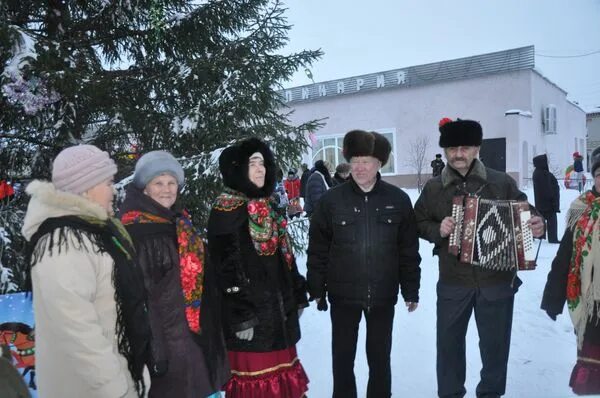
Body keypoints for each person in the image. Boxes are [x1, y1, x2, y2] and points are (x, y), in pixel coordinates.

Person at [414, 118, 545, 398]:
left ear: (476, 148)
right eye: (452, 148)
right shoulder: (434, 188)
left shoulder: (500, 182)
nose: (458, 154)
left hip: (496, 281)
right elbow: (417, 221)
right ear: (445, 152)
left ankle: (490, 394)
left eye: (464, 147)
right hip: (453, 281)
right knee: (448, 347)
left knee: (495, 348)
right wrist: (438, 230)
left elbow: (528, 212)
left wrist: (537, 223)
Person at [21, 145, 151, 397]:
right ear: (86, 187)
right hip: (91, 388)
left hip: (117, 375)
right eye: (108, 182)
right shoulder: (63, 242)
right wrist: (114, 387)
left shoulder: (95, 232)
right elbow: (75, 330)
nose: (113, 190)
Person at [307, 130, 422, 398]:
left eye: (366, 161)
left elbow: (408, 250)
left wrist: (411, 289)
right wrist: (316, 287)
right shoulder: (331, 201)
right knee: (343, 360)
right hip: (343, 295)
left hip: (382, 295)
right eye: (355, 160)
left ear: (379, 163)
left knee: (380, 360)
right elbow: (318, 248)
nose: (359, 167)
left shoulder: (398, 200)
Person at [119, 151, 230, 398]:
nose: (167, 189)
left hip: (193, 339)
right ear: (144, 189)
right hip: (170, 349)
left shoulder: (176, 222)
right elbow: (144, 300)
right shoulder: (139, 232)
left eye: (171, 183)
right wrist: (157, 353)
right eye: (158, 183)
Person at [207, 138, 309, 398]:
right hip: (250, 323)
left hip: (278, 318)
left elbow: (284, 259)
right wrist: (241, 315)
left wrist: (296, 294)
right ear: (238, 168)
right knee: (259, 388)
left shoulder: (267, 207)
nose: (260, 169)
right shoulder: (226, 209)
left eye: (263, 163)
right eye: (252, 163)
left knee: (283, 385)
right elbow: (225, 269)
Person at [542, 158, 600, 395]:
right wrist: (553, 298)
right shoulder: (581, 210)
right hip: (591, 305)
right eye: (599, 173)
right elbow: (565, 256)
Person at [532, 154, 560, 243]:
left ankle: (538, 236)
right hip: (548, 203)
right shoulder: (543, 174)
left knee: (541, 219)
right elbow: (548, 189)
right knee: (551, 221)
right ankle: (552, 238)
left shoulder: (537, 172)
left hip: (541, 202)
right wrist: (553, 201)